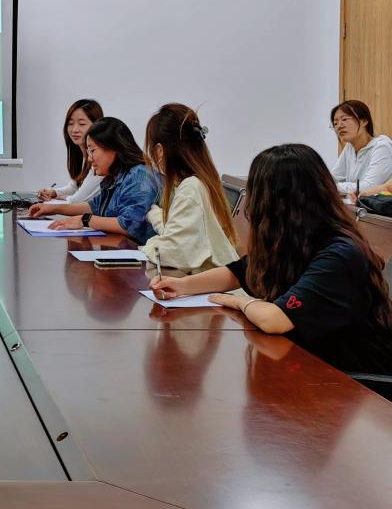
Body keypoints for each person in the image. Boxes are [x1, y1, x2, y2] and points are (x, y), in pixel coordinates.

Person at [150, 144, 392, 396]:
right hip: (315, 367)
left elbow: (274, 319)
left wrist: (241, 303)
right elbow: (239, 271)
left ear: (277, 200)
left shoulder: (339, 253)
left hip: (358, 383)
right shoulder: (296, 239)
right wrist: (182, 286)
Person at [139, 104, 239, 270]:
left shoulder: (191, 188)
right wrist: (154, 215)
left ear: (159, 151)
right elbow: (180, 234)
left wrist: (148, 245)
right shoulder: (201, 182)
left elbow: (171, 252)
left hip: (212, 283)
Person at [29, 117, 159, 244]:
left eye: (92, 150)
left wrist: (84, 220)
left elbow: (129, 225)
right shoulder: (115, 177)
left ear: (113, 148)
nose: (89, 159)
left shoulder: (139, 176)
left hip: (141, 254)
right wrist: (52, 209)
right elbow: (94, 206)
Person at [38, 99, 104, 204]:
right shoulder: (82, 154)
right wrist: (53, 192)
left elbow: (79, 199)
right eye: (70, 123)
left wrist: (66, 198)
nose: (74, 130)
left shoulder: (100, 158)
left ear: (97, 125)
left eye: (82, 124)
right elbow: (75, 187)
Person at [329, 100, 392, 195]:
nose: (339, 126)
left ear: (364, 121)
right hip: (359, 203)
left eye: (344, 119)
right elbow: (333, 178)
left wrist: (330, 187)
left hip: (380, 204)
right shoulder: (349, 148)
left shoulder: (382, 145)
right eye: (335, 123)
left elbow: (369, 186)